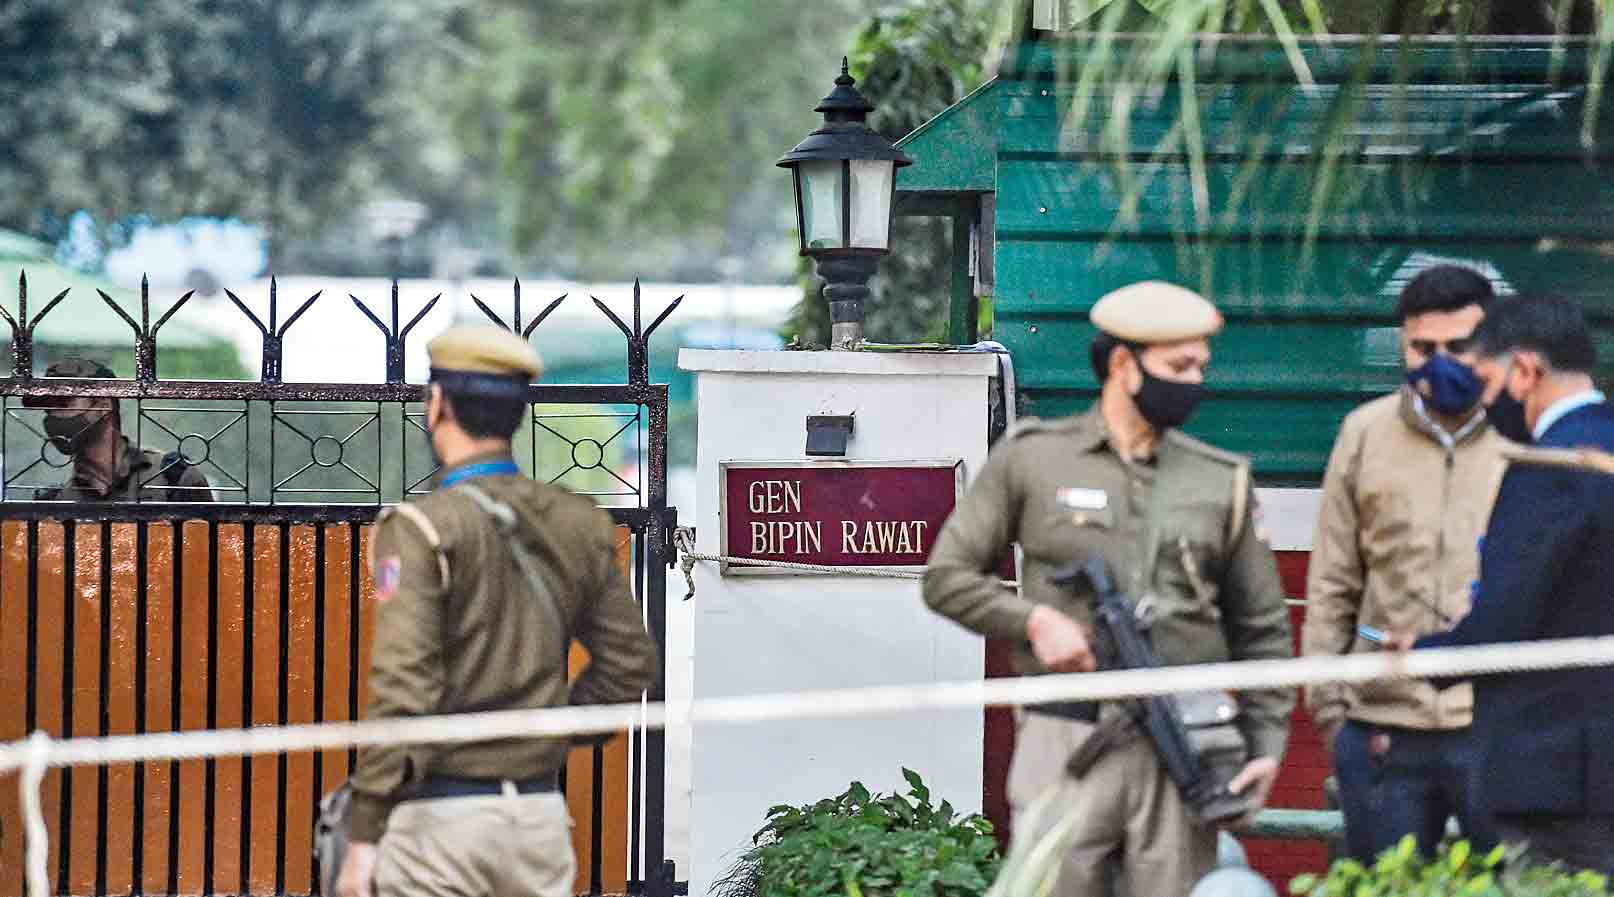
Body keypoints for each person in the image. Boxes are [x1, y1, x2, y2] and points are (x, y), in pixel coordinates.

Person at [922, 281, 1294, 897]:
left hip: (1183, 746)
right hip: (1066, 736)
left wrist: (1266, 744)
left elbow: (1263, 630)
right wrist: (1033, 622)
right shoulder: (1034, 459)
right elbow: (947, 578)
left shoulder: (1220, 480)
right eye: (1179, 366)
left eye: (1201, 365)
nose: (1195, 381)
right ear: (1123, 364)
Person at [336, 324, 659, 897]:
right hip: (537, 821)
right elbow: (629, 665)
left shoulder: (422, 528)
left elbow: (403, 690)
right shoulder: (578, 521)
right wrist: (550, 730)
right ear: (516, 416)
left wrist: (363, 837)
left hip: (440, 825)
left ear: (437, 406)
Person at [1392, 295, 1614, 874]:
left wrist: (1422, 655)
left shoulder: (1549, 469)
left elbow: (1506, 622)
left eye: (1486, 381)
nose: (1483, 401)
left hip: (1554, 775)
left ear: (1525, 371)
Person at [1300, 265, 1508, 859]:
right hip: (1384, 728)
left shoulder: (1526, 437)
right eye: (1423, 347)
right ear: (1402, 345)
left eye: (1458, 347)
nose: (1439, 361)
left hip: (1497, 730)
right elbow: (1333, 583)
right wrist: (1336, 716)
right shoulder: (1364, 435)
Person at [24, 358, 214, 502]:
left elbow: (211, 549)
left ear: (104, 405)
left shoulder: (172, 477)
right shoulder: (57, 502)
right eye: (47, 409)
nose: (53, 417)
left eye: (63, 404)